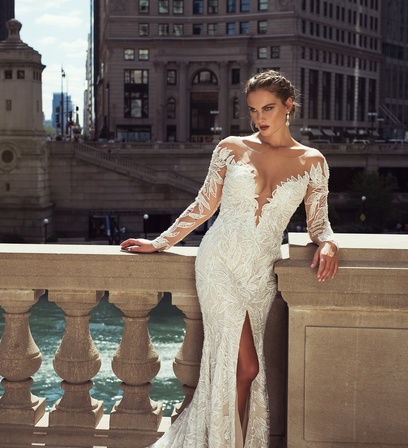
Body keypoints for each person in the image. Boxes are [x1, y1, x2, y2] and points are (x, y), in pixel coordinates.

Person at [120, 70, 339, 448]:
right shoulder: (231, 147)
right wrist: (160, 242)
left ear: (289, 106)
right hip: (219, 262)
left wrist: (329, 244)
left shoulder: (312, 162)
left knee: (238, 372)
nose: (260, 118)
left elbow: (318, 222)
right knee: (247, 367)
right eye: (254, 110)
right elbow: (204, 205)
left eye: (268, 108)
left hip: (259, 276)